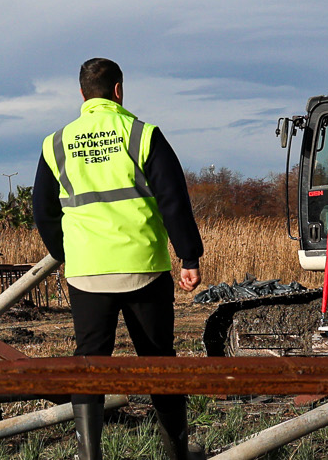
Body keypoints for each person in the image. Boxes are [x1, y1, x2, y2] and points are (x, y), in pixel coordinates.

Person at [33, 57, 205, 460]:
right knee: (160, 360)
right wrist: (189, 256)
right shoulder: (143, 135)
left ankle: (90, 455)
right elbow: (173, 200)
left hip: (87, 272)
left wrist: (67, 252)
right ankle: (177, 453)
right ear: (118, 90)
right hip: (143, 268)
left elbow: (42, 210)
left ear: (81, 94)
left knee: (89, 363)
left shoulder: (56, 143)